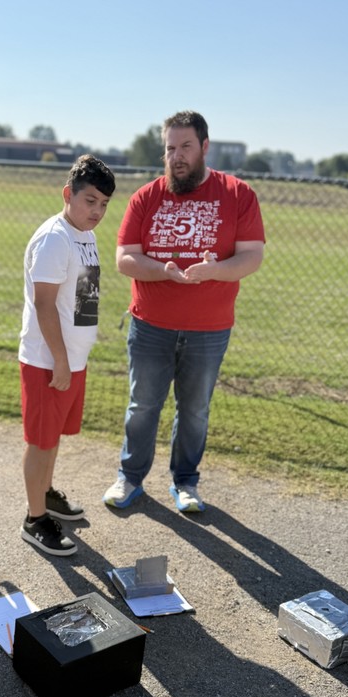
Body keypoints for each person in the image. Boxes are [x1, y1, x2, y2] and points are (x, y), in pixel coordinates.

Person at [103, 110, 265, 514]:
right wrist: (163, 271)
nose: (176, 156)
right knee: (142, 406)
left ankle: (185, 482)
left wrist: (215, 271)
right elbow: (124, 258)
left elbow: (252, 256)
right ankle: (130, 478)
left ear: (204, 147)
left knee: (194, 410)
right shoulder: (147, 197)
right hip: (150, 326)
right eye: (170, 148)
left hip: (209, 329)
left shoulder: (237, 194)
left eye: (186, 147)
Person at [20, 154, 116, 556]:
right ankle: (34, 519)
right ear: (68, 194)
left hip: (73, 359)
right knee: (40, 441)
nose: (97, 211)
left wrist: (78, 352)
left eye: (104, 204)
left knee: (53, 436)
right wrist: (60, 360)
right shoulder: (54, 238)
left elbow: (82, 299)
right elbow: (44, 305)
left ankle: (44, 492)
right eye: (90, 200)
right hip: (48, 361)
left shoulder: (85, 236)